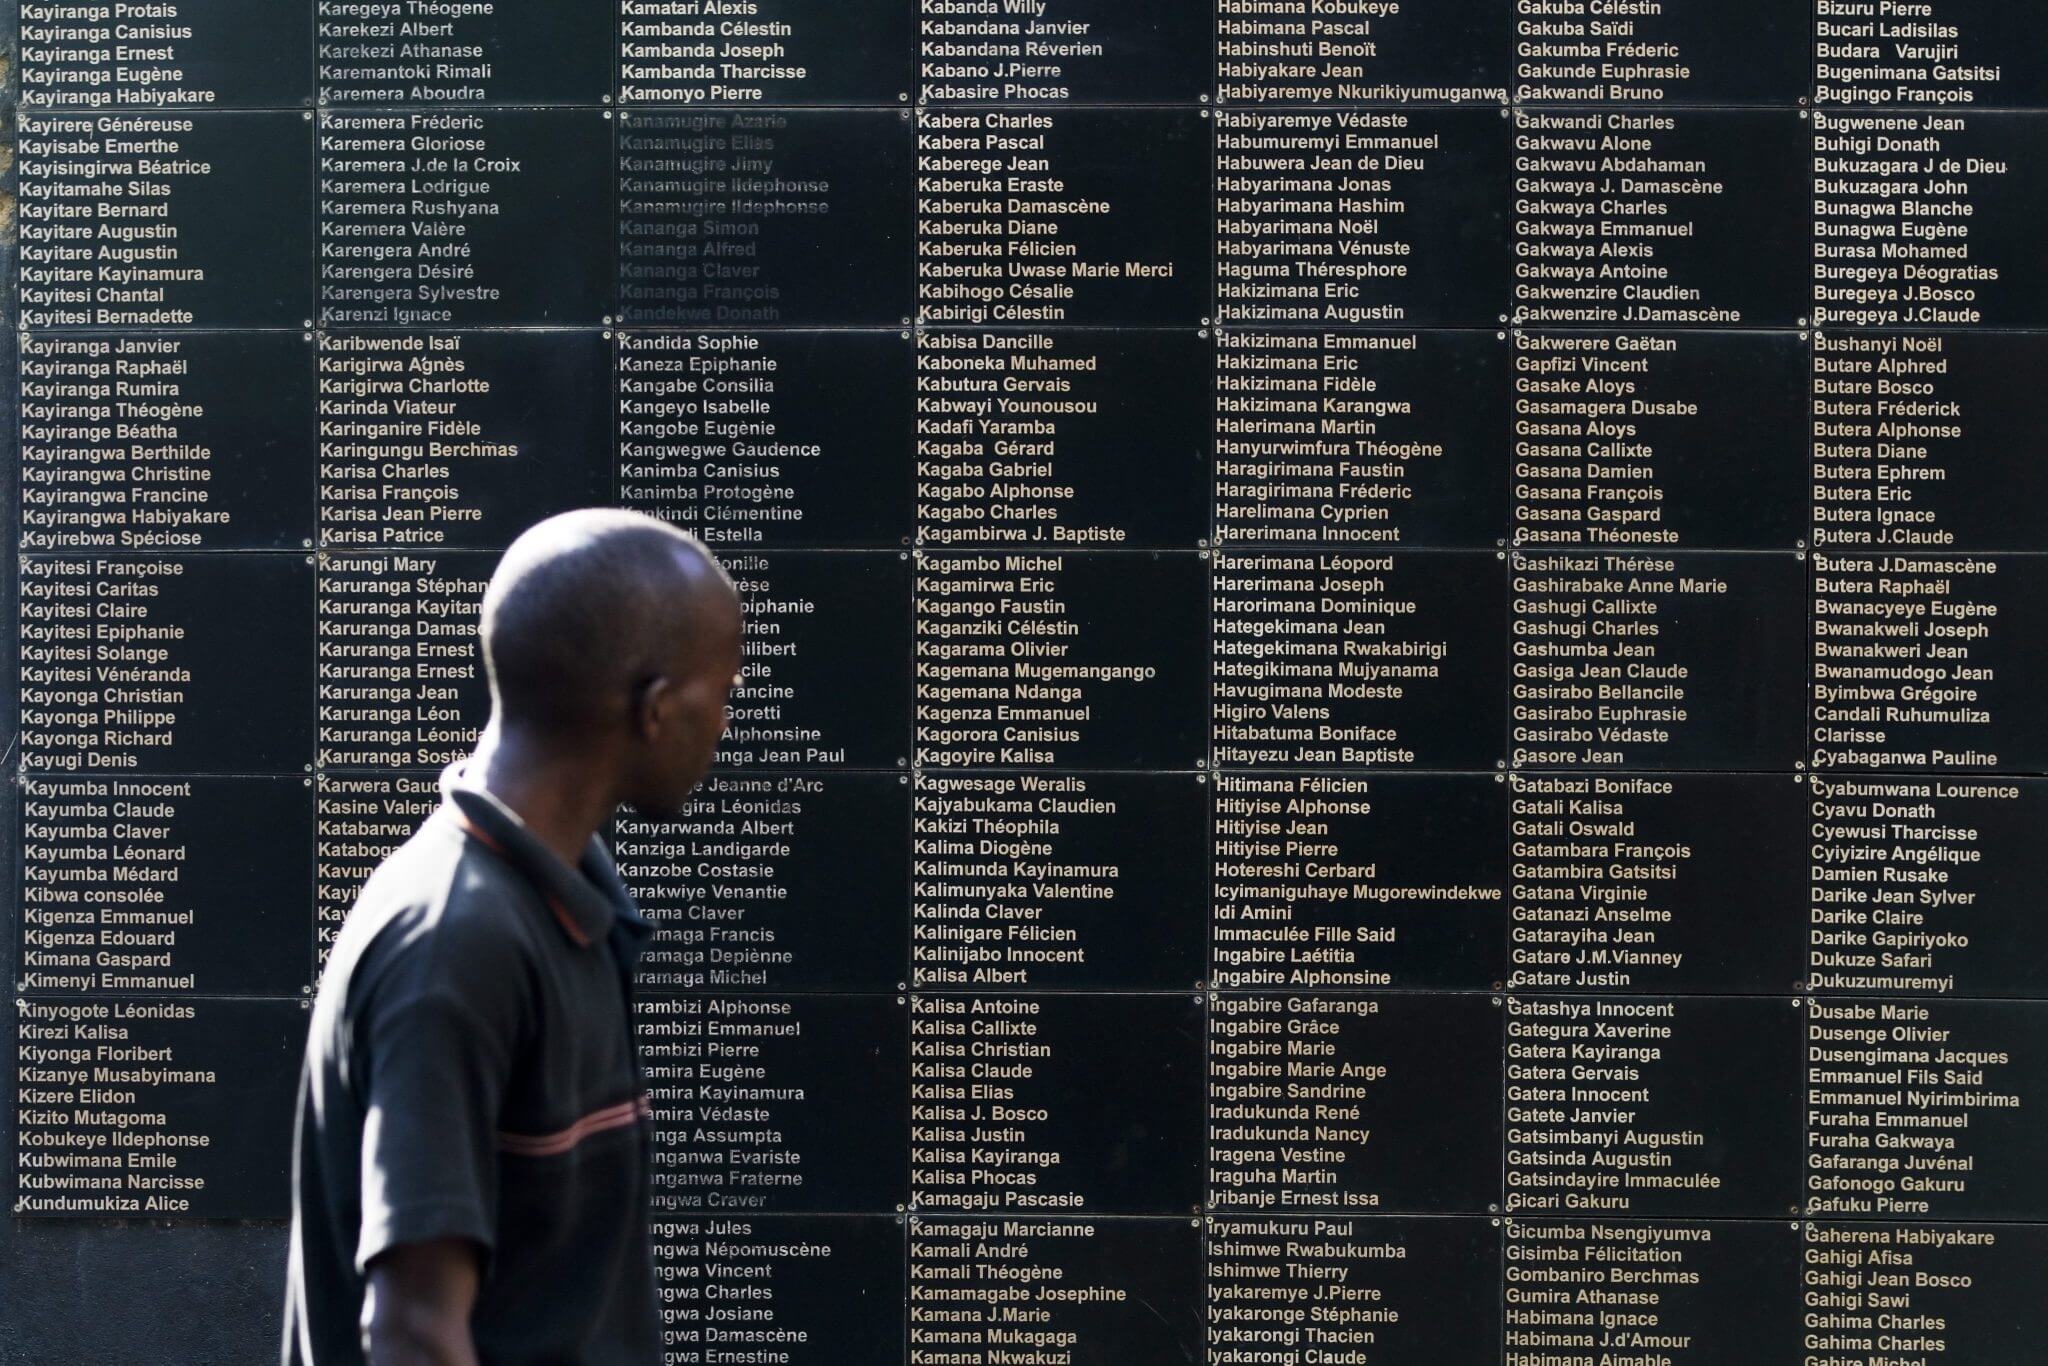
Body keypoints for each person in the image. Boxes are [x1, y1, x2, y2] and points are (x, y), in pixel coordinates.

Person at [283, 509, 743, 1365]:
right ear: (654, 709)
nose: (725, 723)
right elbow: (413, 1332)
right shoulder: (453, 945)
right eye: (723, 692)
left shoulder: (565, 904)